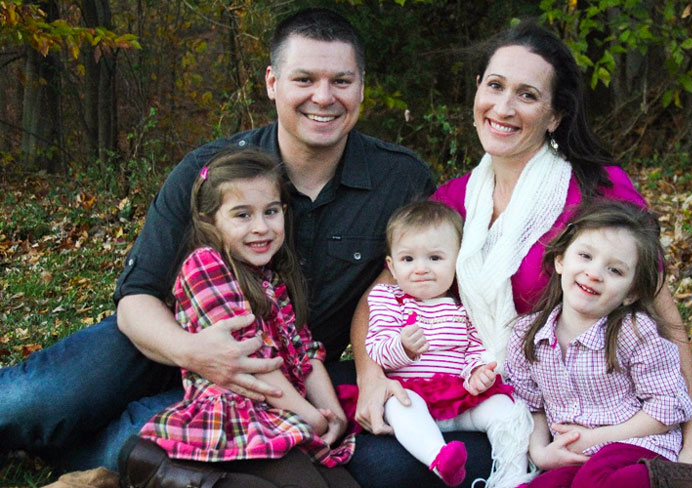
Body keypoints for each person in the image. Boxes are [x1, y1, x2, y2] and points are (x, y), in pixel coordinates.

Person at [0, 8, 436, 481]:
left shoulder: (400, 180)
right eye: (304, 79)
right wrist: (195, 352)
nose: (323, 97)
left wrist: (370, 372)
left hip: (269, 372)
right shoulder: (209, 169)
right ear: (272, 82)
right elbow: (136, 298)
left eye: (342, 81)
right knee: (33, 401)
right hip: (160, 339)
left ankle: (75, 451)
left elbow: (388, 291)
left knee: (131, 439)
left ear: (361, 87)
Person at [349, 20, 692, 487]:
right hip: (468, 381)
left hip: (556, 407)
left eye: (526, 95)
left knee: (384, 469)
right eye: (495, 86)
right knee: (355, 441)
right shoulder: (456, 201)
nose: (503, 107)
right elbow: (377, 296)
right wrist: (369, 375)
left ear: (555, 115)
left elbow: (663, 314)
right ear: (478, 90)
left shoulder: (596, 189)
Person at [117, 149, 357, 487]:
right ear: (210, 220)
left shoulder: (272, 277)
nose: (261, 227)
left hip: (282, 412)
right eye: (242, 215)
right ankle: (161, 473)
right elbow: (251, 360)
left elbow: (304, 351)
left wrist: (333, 415)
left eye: (271, 212)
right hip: (235, 416)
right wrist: (309, 416)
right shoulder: (205, 265)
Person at [505, 201, 692, 488]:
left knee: (606, 481)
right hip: (575, 455)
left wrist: (595, 438)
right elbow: (530, 403)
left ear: (630, 293)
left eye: (615, 271)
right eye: (585, 255)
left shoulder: (634, 332)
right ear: (561, 260)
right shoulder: (529, 334)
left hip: (639, 445)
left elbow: (668, 408)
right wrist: (540, 452)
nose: (594, 273)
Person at [364, 201, 532, 487]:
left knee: (507, 408)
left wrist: (478, 372)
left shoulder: (463, 307)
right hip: (412, 394)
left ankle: (513, 476)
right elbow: (377, 348)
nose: (421, 269)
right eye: (408, 260)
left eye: (435, 258)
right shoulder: (388, 299)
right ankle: (440, 459)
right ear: (391, 266)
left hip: (458, 398)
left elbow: (475, 348)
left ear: (457, 261)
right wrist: (402, 347)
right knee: (399, 405)